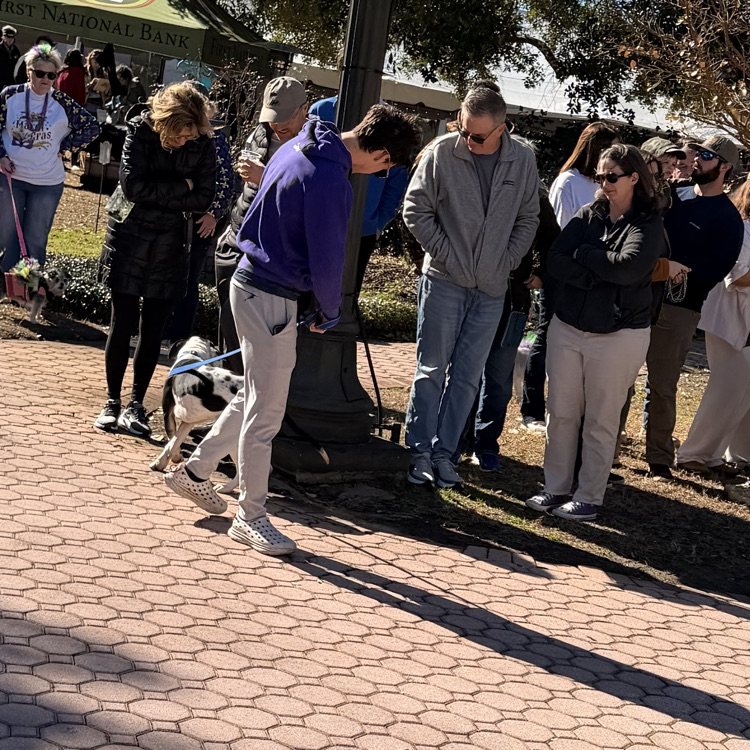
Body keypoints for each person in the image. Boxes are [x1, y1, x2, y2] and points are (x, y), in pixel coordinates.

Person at [164, 104, 421, 556]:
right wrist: (328, 310)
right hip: (273, 295)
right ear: (382, 155)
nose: (380, 173)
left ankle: (197, 471)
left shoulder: (298, 142)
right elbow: (328, 259)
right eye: (386, 167)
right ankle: (251, 514)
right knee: (267, 413)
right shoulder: (330, 181)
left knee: (254, 396)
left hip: (248, 280)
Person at [402, 86, 539, 488]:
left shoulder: (523, 159)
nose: (468, 140)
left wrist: (506, 261)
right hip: (444, 281)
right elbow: (415, 209)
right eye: (463, 130)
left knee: (467, 377)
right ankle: (418, 452)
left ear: (502, 128)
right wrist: (446, 254)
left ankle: (446, 455)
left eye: (477, 136)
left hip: (492, 289)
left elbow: (528, 218)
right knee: (431, 371)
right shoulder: (442, 151)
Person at [526, 144, 665, 521]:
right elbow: (555, 257)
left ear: (635, 178)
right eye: (599, 176)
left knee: (602, 419)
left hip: (620, 335)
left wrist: (585, 256)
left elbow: (628, 268)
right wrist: (594, 272)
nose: (604, 183)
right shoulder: (590, 214)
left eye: (612, 177)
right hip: (568, 326)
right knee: (561, 412)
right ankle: (555, 488)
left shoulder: (648, 223)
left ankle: (588, 496)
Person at [94, 83, 217, 436]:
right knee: (122, 322)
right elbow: (133, 187)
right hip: (129, 238)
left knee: (153, 331)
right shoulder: (138, 133)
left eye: (190, 135)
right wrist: (184, 187)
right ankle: (112, 401)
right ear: (164, 122)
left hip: (172, 243)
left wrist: (176, 191)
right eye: (178, 135)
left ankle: (135, 404)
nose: (184, 142)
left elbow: (204, 197)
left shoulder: (203, 144)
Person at [644, 135, 745, 478]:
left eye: (706, 155)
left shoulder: (729, 219)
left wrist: (674, 278)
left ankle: (659, 459)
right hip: (638, 298)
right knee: (621, 380)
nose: (695, 159)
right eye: (697, 152)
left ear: (725, 167)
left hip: (680, 310)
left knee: (663, 385)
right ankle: (608, 453)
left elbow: (713, 273)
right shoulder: (672, 197)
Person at [521, 122, 620, 432]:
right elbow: (561, 232)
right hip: (562, 275)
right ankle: (531, 409)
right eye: (610, 150)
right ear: (594, 151)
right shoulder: (568, 182)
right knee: (546, 336)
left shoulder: (603, 185)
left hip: (591, 280)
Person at [215, 76, 309, 373]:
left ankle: (246, 402)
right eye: (270, 118)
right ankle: (225, 401)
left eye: (283, 119)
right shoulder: (261, 132)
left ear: (304, 110)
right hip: (238, 234)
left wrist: (264, 175)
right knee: (229, 332)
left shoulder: (312, 143)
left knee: (260, 349)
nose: (276, 126)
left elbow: (303, 193)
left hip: (271, 252)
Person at [0, 44, 99, 275]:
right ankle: (5, 287)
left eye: (51, 75)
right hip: (10, 177)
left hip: (46, 182)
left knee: (35, 238)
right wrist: (1, 156)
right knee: (6, 236)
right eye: (39, 73)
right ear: (28, 71)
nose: (45, 79)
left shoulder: (62, 102)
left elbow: (91, 127)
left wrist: (64, 146)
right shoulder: (10, 95)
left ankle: (27, 288)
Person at [674, 180, 750, 475]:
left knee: (742, 391)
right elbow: (737, 278)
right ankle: (693, 453)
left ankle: (717, 455)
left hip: (745, 322)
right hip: (727, 319)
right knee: (726, 388)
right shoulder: (742, 227)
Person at [309, 94, 409, 294]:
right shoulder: (322, 109)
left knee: (347, 291)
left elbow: (396, 180)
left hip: (363, 228)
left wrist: (378, 223)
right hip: (317, 220)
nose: (376, 171)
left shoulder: (393, 127)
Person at [165, 86, 234, 344]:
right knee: (167, 273)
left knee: (189, 276)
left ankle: (179, 334)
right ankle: (162, 328)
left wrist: (213, 214)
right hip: (174, 216)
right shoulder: (179, 137)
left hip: (202, 220)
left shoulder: (216, 140)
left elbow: (226, 182)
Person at [84, 49, 110, 116]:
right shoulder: (85, 72)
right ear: (91, 60)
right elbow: (81, 88)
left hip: (99, 103)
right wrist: (92, 83)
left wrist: (106, 87)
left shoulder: (103, 74)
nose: (97, 65)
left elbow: (106, 94)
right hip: (87, 102)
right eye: (95, 62)